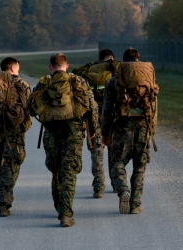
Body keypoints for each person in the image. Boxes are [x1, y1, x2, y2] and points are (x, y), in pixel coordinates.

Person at [29, 53, 98, 227]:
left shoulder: (44, 83)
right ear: (66, 65)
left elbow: (30, 108)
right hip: (73, 132)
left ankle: (60, 207)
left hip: (51, 134)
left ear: (50, 67)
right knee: (69, 172)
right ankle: (66, 213)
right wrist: (93, 129)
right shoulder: (78, 81)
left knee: (56, 171)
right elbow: (92, 106)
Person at [101, 48, 159, 214]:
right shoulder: (148, 80)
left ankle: (123, 189)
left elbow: (106, 109)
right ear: (138, 60)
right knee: (140, 166)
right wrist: (152, 130)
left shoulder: (114, 81)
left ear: (123, 61)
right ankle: (135, 204)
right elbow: (154, 106)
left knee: (117, 163)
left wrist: (105, 133)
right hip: (143, 126)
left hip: (122, 127)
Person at [0, 57, 32, 217]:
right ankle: (4, 201)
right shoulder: (21, 84)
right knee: (13, 162)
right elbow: (30, 107)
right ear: (13, 68)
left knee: (0, 161)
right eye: (17, 68)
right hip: (14, 130)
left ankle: (3, 192)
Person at [86, 49, 120, 198]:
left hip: (93, 118)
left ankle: (98, 187)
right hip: (112, 117)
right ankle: (115, 183)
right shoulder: (115, 70)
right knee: (114, 151)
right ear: (112, 58)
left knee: (96, 153)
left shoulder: (90, 70)